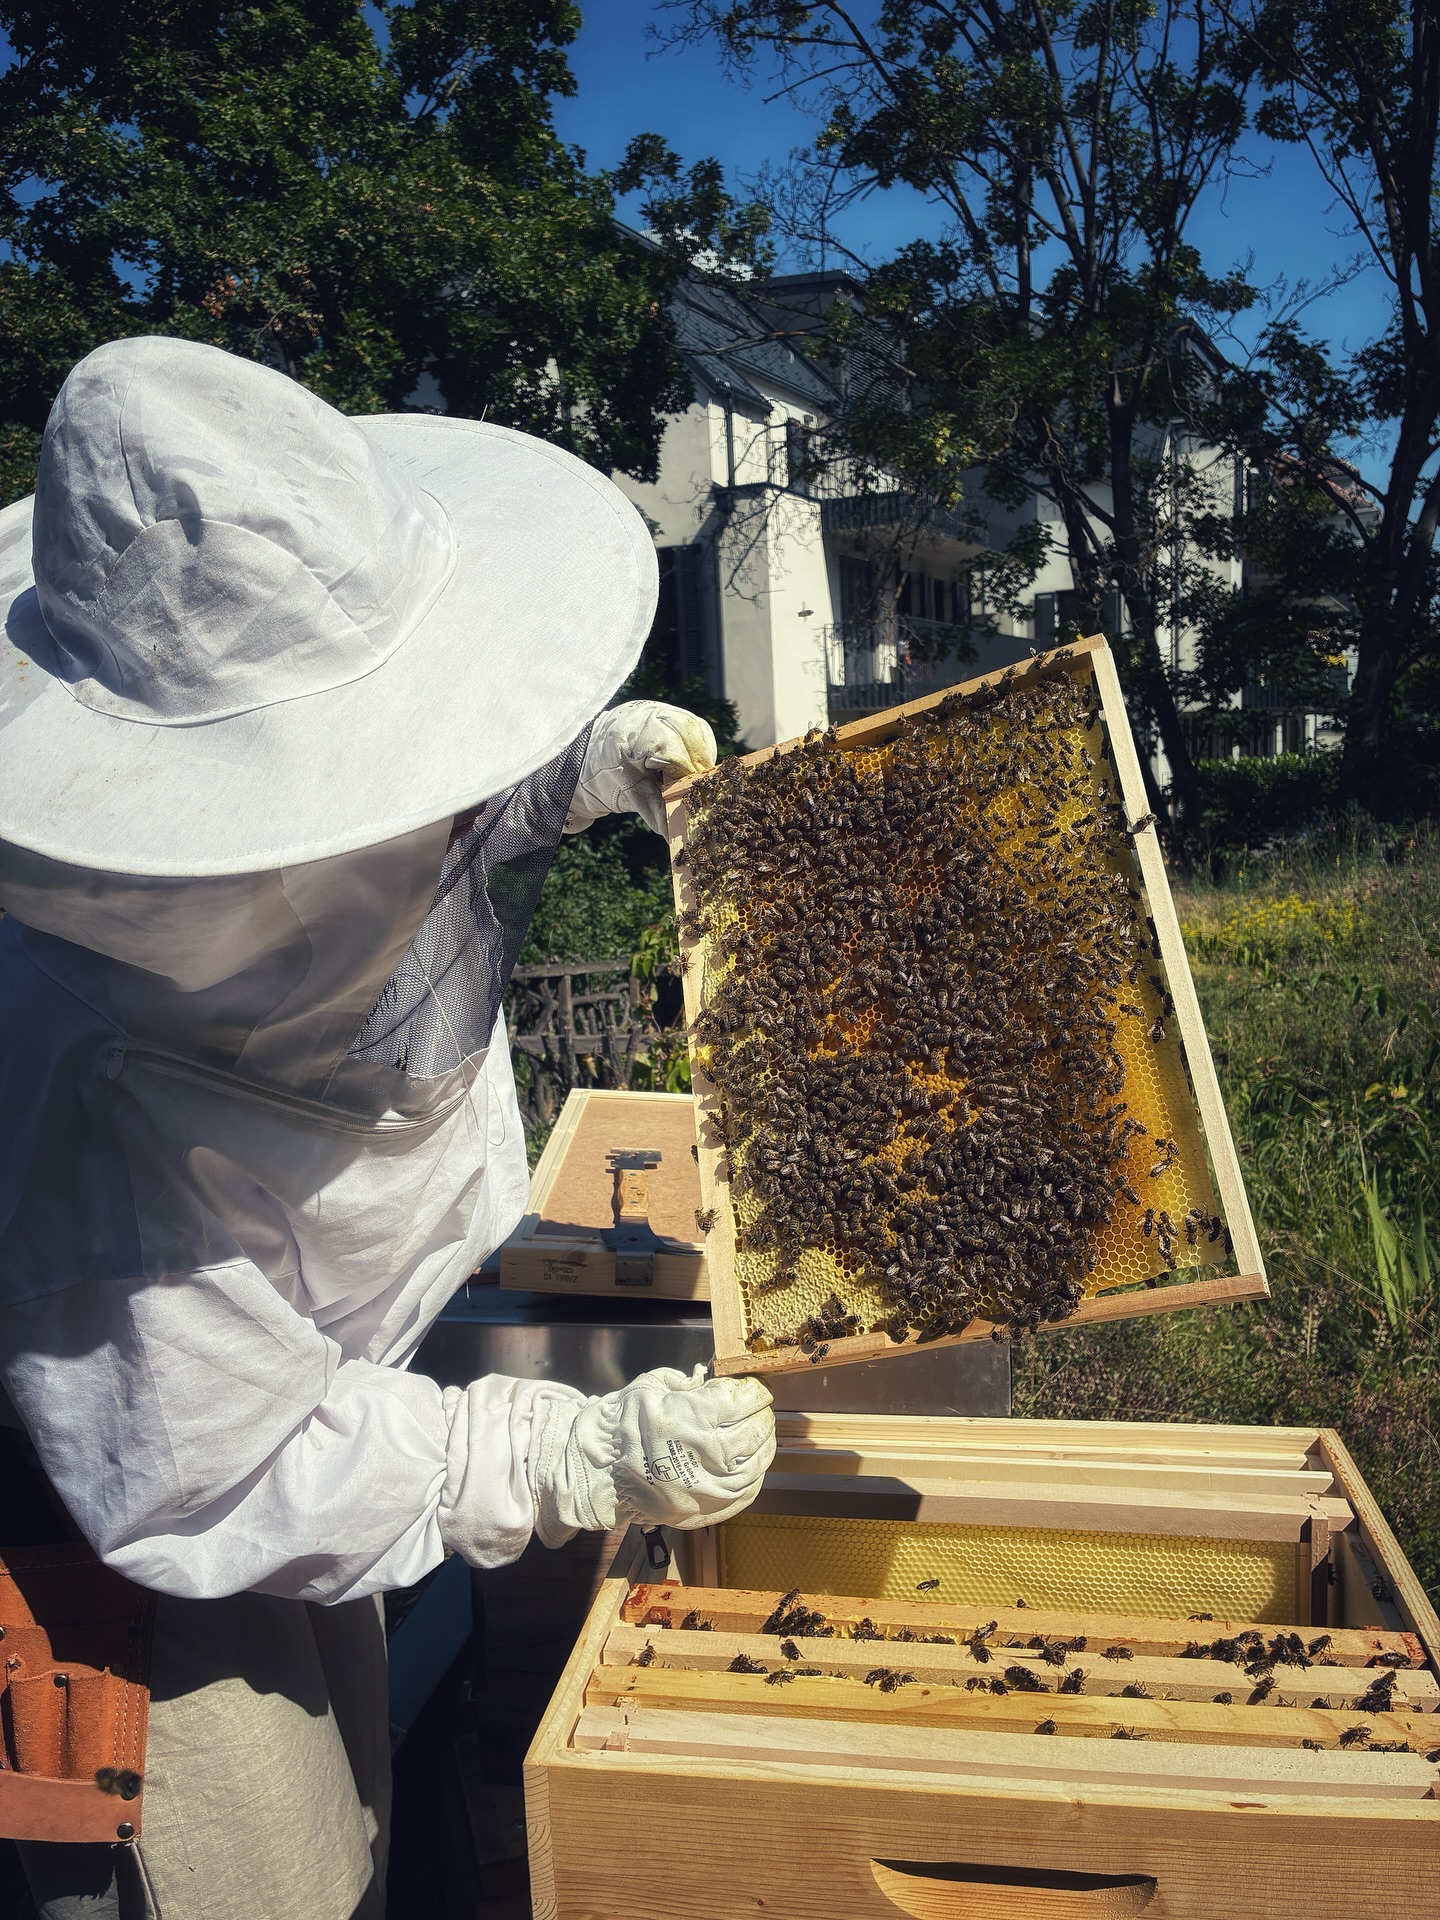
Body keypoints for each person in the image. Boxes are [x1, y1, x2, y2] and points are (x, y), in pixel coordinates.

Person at [0, 337, 776, 1920]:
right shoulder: (73, 1070)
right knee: (258, 1870)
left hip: (320, 1368)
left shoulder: (289, 786)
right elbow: (207, 1473)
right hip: (127, 1516)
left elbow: (410, 805)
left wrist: (572, 770)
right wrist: (570, 1449)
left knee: (374, 1777)